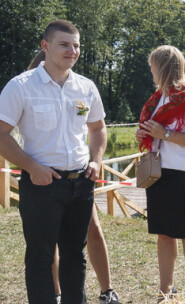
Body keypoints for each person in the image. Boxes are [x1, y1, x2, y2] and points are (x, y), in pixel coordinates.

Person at [0, 20, 107, 303]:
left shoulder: (86, 87)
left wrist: (96, 161)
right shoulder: (20, 87)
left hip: (81, 183)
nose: (72, 51)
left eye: (76, 46)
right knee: (41, 257)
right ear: (45, 46)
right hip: (42, 185)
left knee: (75, 255)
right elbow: (1, 134)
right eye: (64, 44)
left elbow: (97, 128)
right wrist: (31, 167)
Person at [26, 50, 121, 304]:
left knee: (90, 232)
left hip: (78, 178)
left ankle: (106, 289)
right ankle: (56, 292)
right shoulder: (27, 88)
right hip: (47, 181)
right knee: (48, 244)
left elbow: (95, 127)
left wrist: (95, 161)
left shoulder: (80, 88)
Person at [135, 45, 185, 300]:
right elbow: (155, 132)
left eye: (153, 67)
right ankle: (165, 291)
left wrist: (165, 134)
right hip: (159, 176)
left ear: (164, 67)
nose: (151, 72)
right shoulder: (158, 98)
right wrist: (144, 133)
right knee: (164, 234)